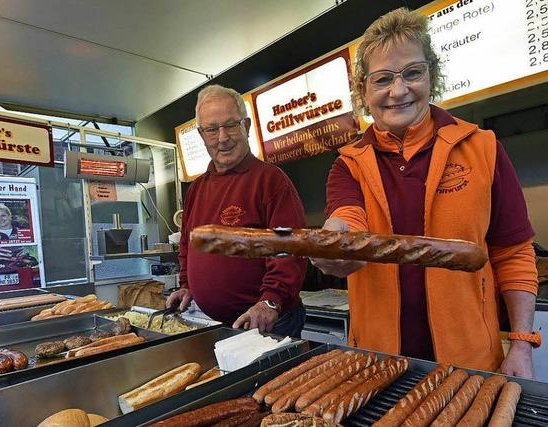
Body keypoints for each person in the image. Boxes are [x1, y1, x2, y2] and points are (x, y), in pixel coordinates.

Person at [311, 8, 539, 376]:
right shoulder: (348, 163)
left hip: (472, 366)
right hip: (378, 366)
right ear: (363, 91)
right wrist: (336, 244)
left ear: (431, 74)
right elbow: (348, 219)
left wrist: (523, 343)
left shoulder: (482, 147)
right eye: (382, 79)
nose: (398, 91)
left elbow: (513, 252)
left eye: (413, 73)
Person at [166, 84, 308, 337]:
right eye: (212, 129)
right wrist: (187, 286)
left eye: (231, 125)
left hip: (266, 322)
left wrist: (271, 300)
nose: (223, 137)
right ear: (201, 135)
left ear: (247, 126)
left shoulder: (270, 180)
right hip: (216, 323)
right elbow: (188, 245)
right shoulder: (197, 188)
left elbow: (291, 248)